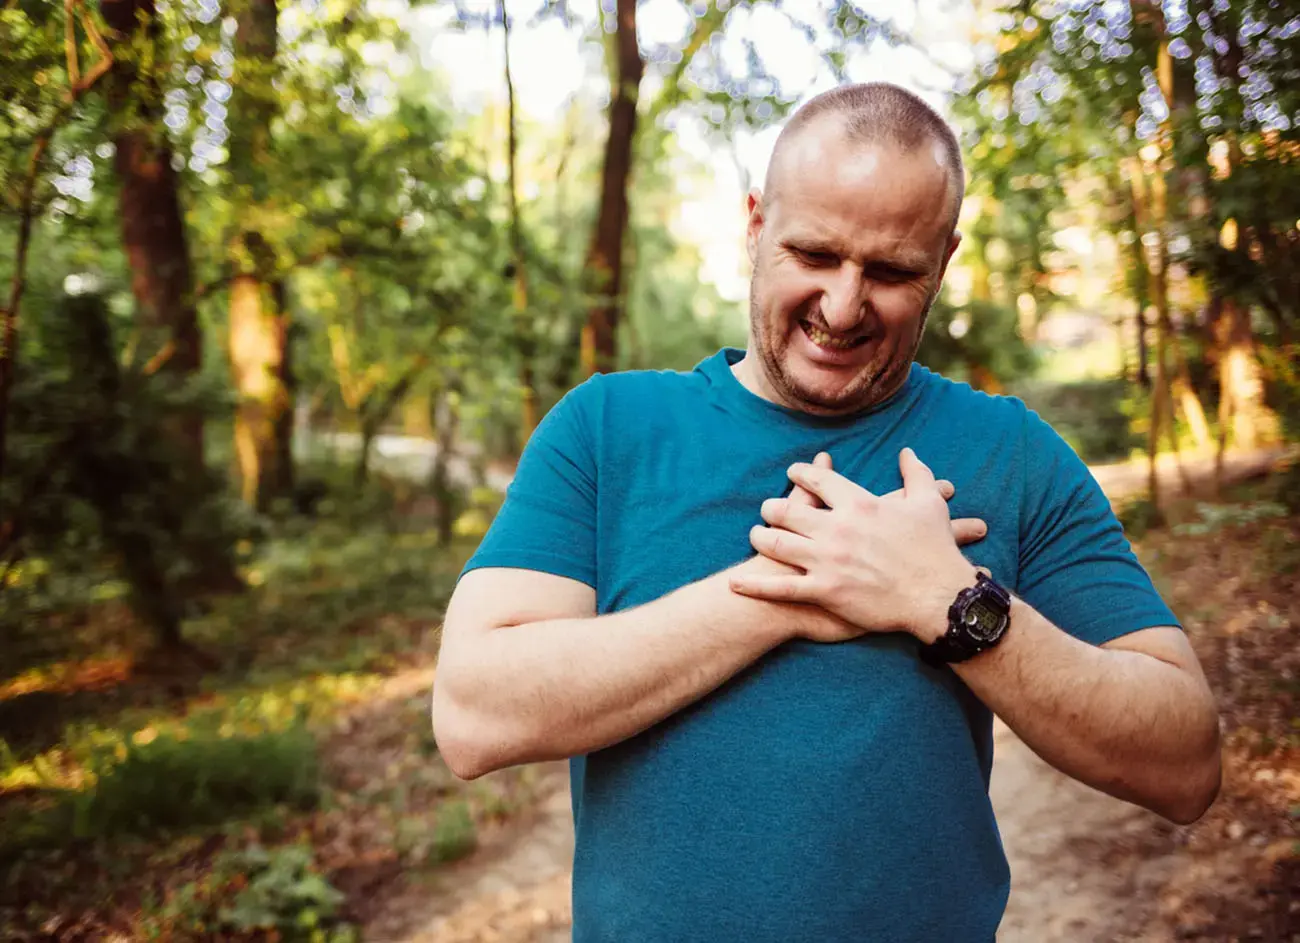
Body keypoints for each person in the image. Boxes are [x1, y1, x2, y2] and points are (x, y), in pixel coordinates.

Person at [430, 82, 1221, 942]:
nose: (843, 308)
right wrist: (790, 589)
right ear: (755, 224)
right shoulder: (607, 429)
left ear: (945, 261)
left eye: (890, 271)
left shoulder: (1013, 451)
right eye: (814, 254)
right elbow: (473, 715)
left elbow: (1185, 762)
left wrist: (952, 606)